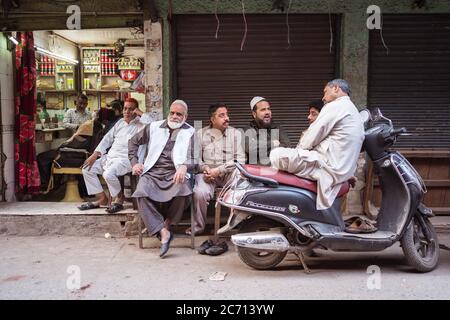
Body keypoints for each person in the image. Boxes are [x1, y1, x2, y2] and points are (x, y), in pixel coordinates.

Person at [270, 79, 364, 210]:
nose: (323, 97)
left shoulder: (335, 106)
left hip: (326, 165)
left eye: (325, 92)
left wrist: (297, 153)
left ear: (336, 88)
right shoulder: (352, 110)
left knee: (276, 154)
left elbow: (310, 138)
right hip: (338, 168)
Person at [128, 100, 196, 257]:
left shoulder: (191, 132)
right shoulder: (153, 127)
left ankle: (167, 223)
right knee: (141, 192)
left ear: (186, 116)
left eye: (179, 114)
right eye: (172, 113)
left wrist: (184, 166)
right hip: (152, 172)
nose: (174, 116)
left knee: (185, 191)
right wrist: (135, 163)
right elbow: (132, 142)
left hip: (175, 173)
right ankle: (163, 232)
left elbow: (195, 157)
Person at [79, 98, 153, 213]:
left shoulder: (141, 124)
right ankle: (102, 198)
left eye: (130, 109)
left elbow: (153, 123)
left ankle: (119, 198)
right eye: (125, 109)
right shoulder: (120, 123)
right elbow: (107, 139)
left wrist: (140, 113)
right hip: (110, 158)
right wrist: (95, 154)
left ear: (136, 111)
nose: (127, 112)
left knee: (108, 174)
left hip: (127, 160)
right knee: (86, 169)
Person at [191, 103, 246, 235]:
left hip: (228, 173)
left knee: (241, 181)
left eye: (227, 115)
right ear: (212, 119)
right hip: (207, 175)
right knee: (199, 193)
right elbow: (195, 158)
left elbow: (240, 159)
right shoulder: (200, 134)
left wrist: (219, 170)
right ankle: (198, 227)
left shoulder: (235, 134)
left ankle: (234, 226)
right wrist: (205, 169)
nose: (227, 118)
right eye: (222, 115)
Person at [244, 96, 291, 165]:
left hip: (277, 171)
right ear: (254, 114)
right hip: (255, 173)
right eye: (263, 110)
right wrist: (273, 143)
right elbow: (250, 148)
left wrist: (260, 149)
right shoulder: (248, 130)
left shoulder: (277, 128)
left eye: (268, 109)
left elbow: (287, 147)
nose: (267, 112)